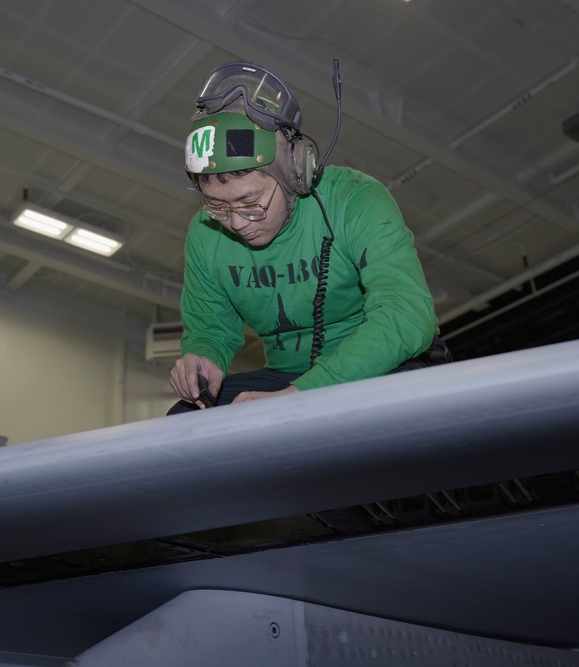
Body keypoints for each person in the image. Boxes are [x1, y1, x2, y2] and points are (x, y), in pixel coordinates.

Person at [168, 61, 450, 414]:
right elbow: (211, 327)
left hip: (382, 365)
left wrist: (304, 394)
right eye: (217, 207)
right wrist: (202, 356)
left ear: (296, 173)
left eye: (250, 203)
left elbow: (407, 314)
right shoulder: (204, 234)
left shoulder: (355, 199)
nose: (237, 223)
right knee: (185, 416)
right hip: (288, 377)